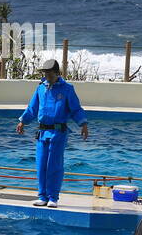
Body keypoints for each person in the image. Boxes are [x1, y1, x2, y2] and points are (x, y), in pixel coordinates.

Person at [16, 59, 89, 207]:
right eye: (45, 73)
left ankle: (53, 197)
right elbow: (32, 108)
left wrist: (83, 124)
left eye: (49, 74)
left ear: (57, 73)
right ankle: (42, 196)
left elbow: (75, 109)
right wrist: (23, 121)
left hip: (58, 132)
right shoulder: (40, 88)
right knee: (41, 164)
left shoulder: (67, 89)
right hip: (42, 132)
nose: (47, 76)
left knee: (54, 165)